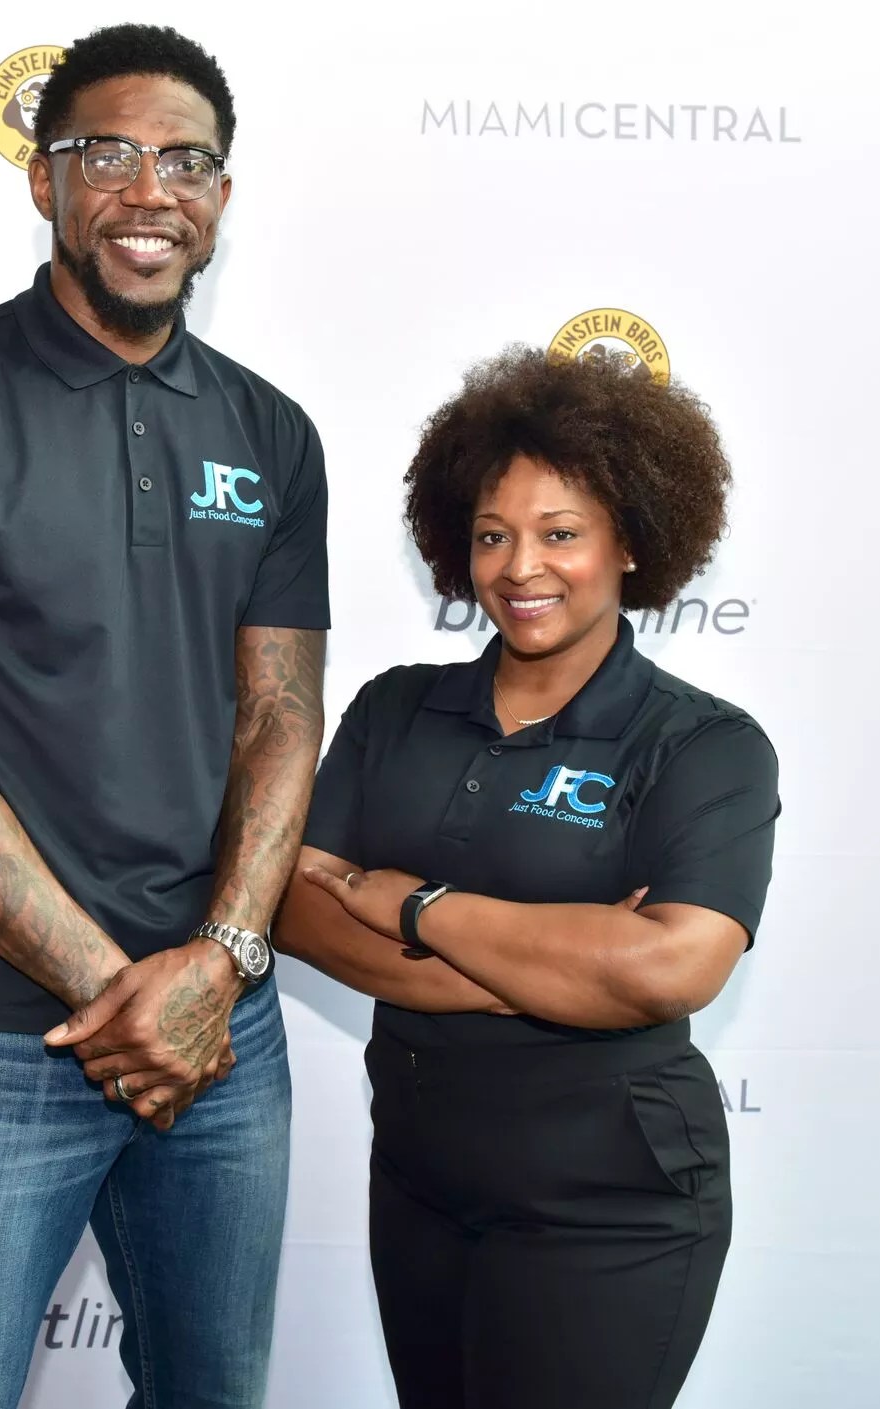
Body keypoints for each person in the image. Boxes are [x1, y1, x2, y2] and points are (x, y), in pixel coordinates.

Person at [0, 23, 328, 1409]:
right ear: (43, 179)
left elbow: (280, 715)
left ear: (222, 196)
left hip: (225, 1030)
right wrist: (121, 1000)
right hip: (7, 1033)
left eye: (186, 162)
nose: (150, 191)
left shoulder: (272, 433)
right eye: (108, 155)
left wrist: (215, 967)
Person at [275, 347, 778, 1409]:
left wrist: (415, 906)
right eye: (492, 534)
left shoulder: (703, 746)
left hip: (610, 1203)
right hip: (419, 1183)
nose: (519, 567)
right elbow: (292, 905)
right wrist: (546, 967)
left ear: (630, 541)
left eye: (560, 534)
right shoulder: (396, 708)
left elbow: (666, 970)